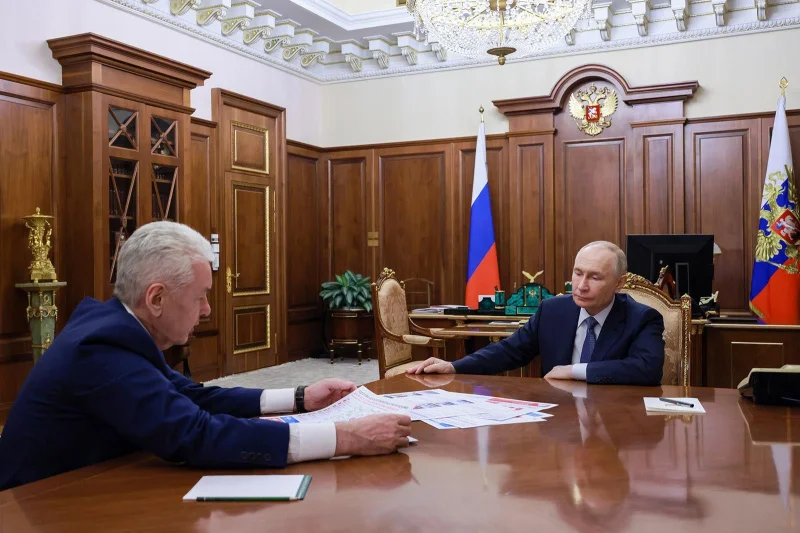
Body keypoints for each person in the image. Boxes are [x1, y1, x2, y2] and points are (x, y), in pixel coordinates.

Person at [0, 221, 411, 491]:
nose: (207, 310)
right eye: (200, 297)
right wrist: (348, 437)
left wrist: (301, 397)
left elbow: (192, 396)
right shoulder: (102, 348)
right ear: (156, 298)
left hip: (96, 484)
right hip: (41, 505)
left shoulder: (118, 328)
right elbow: (193, 434)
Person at [407, 241, 665, 385]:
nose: (581, 285)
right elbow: (509, 351)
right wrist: (454, 366)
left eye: (594, 277)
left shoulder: (642, 318)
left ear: (619, 283)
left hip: (615, 419)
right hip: (558, 421)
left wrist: (574, 371)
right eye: (578, 273)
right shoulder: (553, 310)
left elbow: (647, 369)